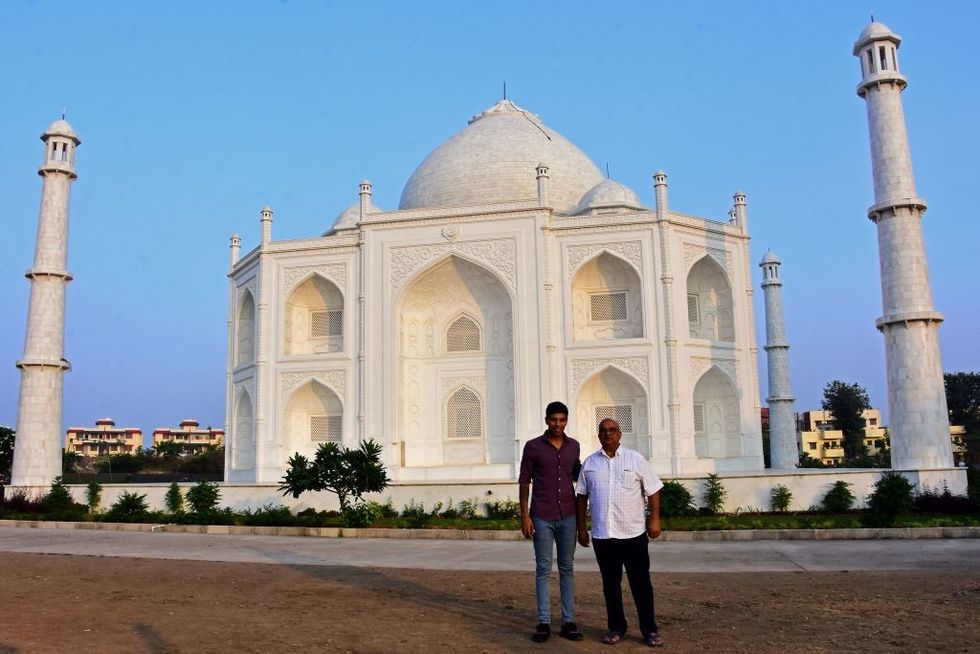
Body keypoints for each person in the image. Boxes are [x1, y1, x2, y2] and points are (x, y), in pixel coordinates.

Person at [576, 418, 665, 647]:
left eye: (612, 430)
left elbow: (653, 489)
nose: (608, 434)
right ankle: (616, 627)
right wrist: (581, 528)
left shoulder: (635, 459)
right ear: (598, 435)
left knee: (641, 584)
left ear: (620, 434)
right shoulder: (590, 463)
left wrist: (654, 519)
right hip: (603, 535)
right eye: (604, 431)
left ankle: (649, 630)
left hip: (633, 534)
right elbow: (581, 496)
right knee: (610, 585)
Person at [518, 401, 584, 643]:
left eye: (562, 420)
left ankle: (568, 621)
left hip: (568, 515)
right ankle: (543, 622)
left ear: (567, 421)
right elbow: (524, 481)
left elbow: (578, 474)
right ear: (546, 420)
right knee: (543, 569)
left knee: (567, 569)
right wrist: (524, 515)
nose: (558, 424)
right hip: (542, 515)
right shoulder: (533, 447)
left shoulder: (573, 446)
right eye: (554, 419)